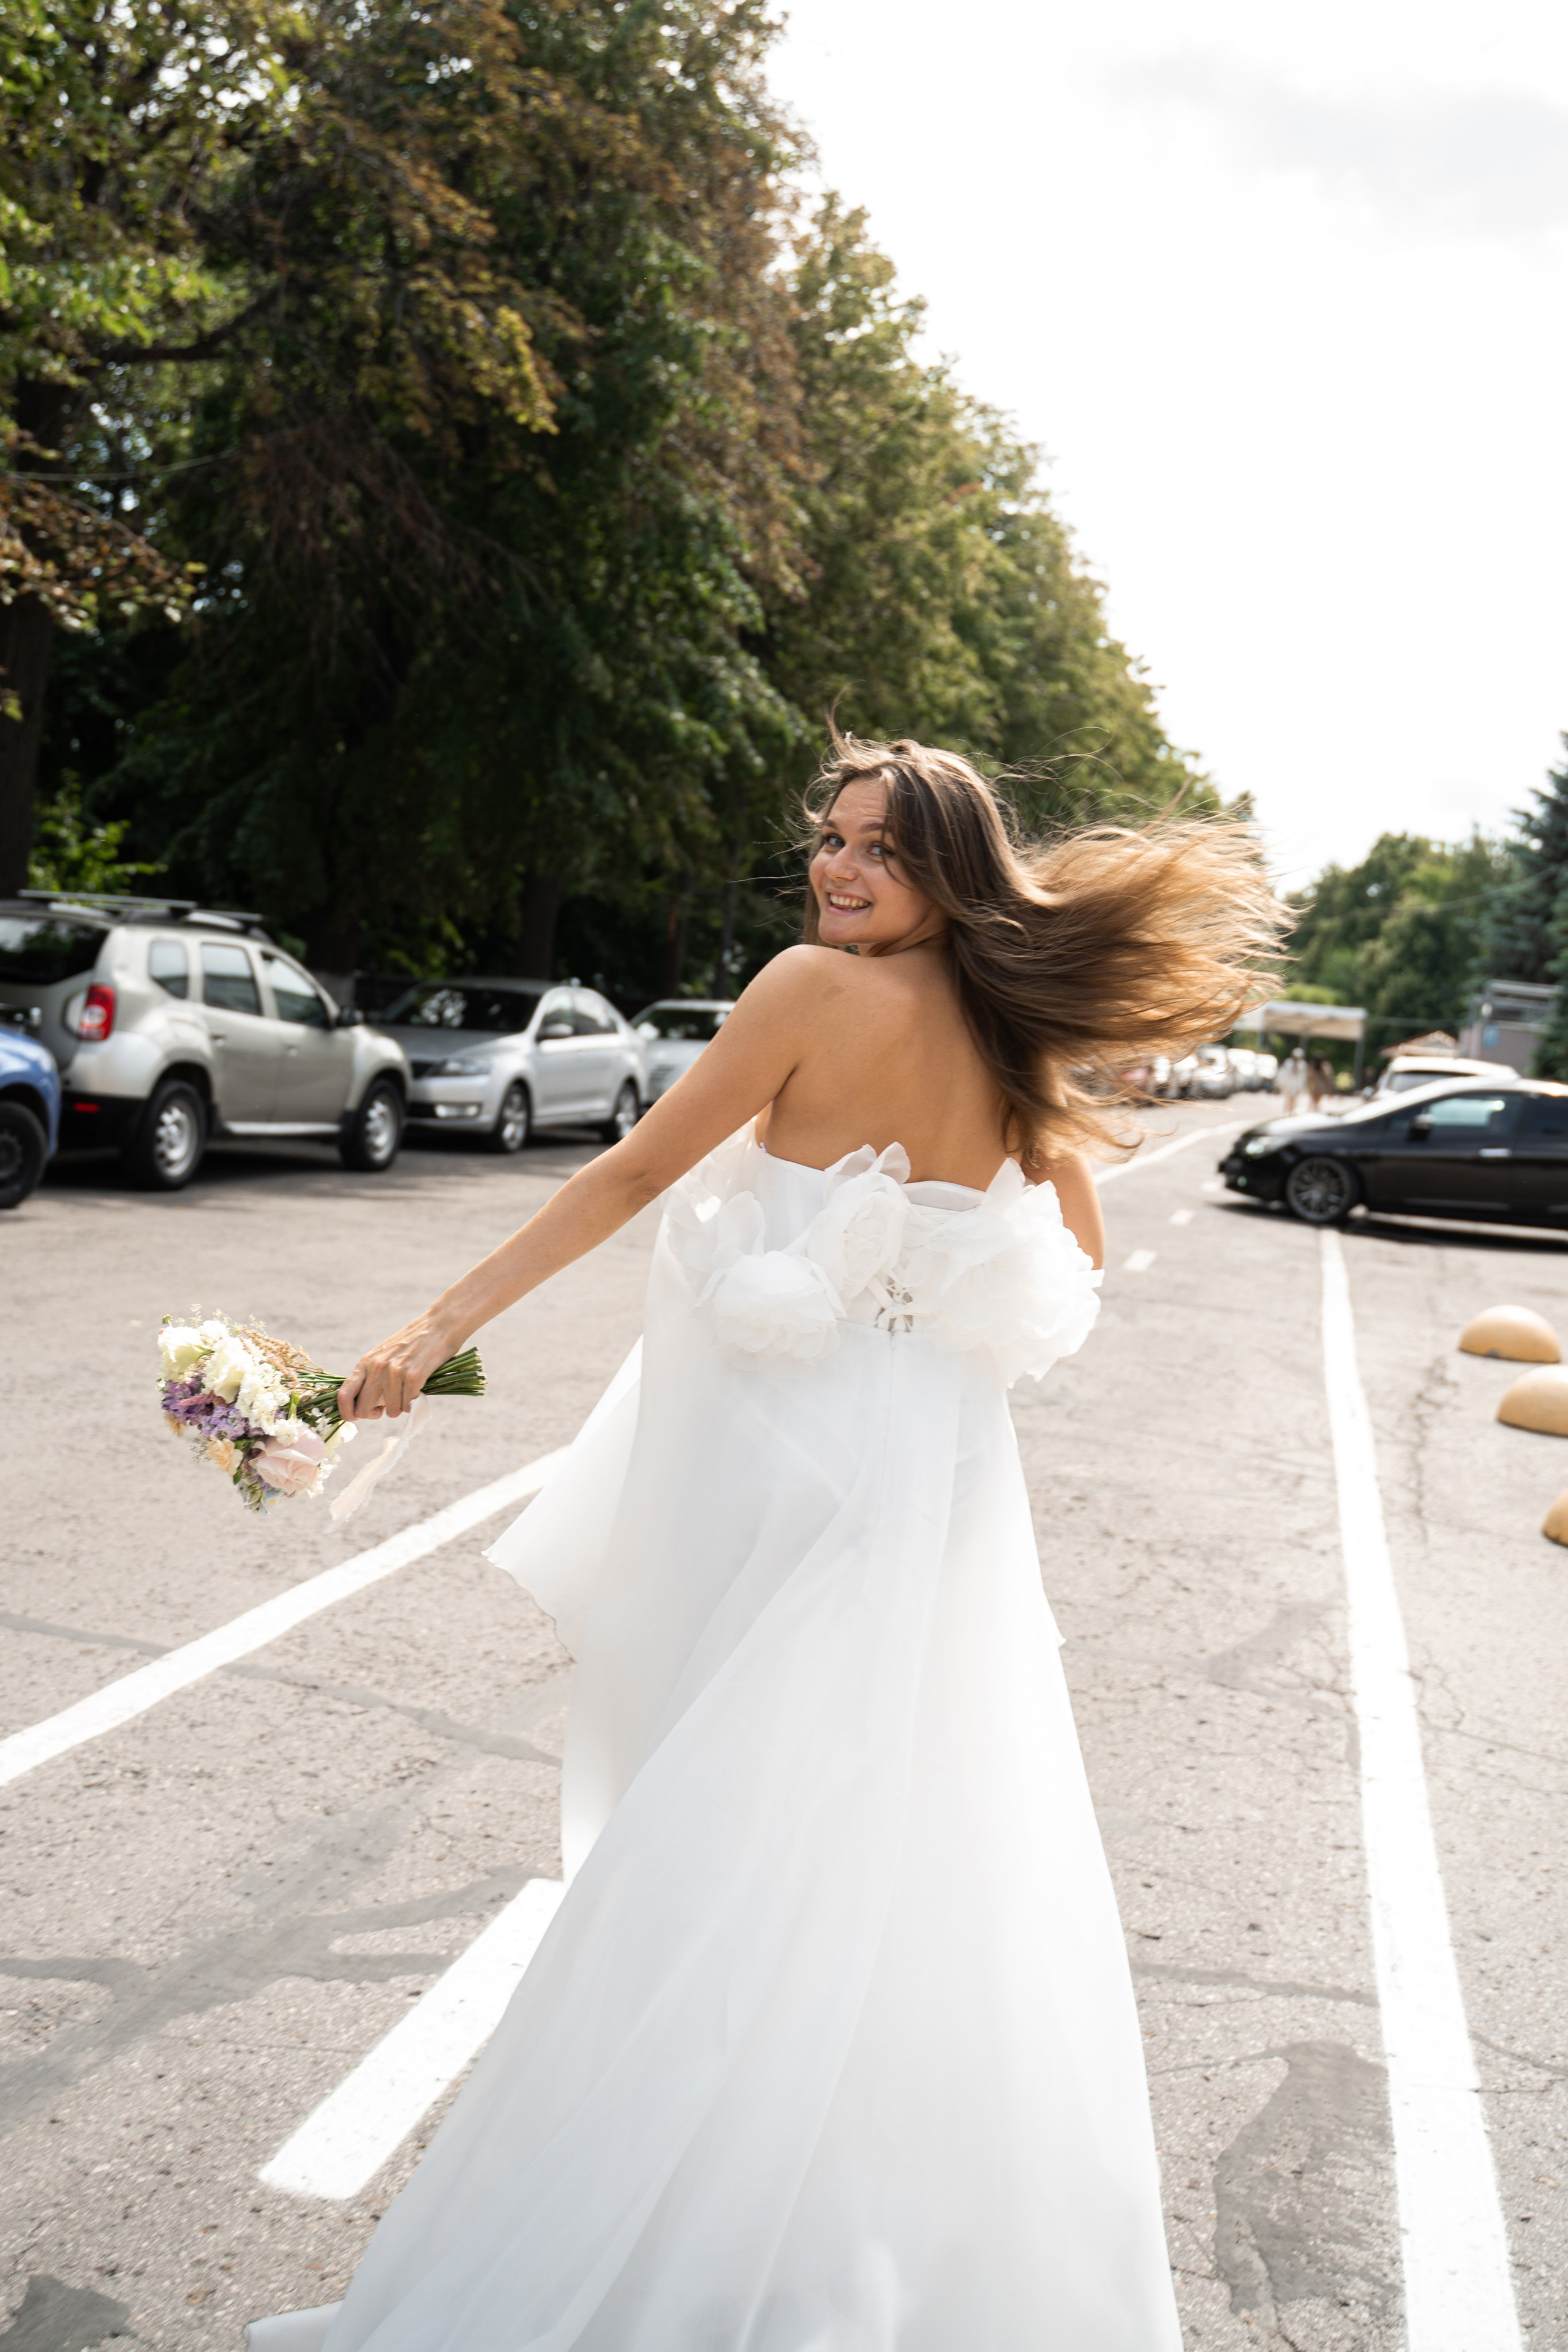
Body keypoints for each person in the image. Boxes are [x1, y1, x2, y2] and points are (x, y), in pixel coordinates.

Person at [247, 734, 1278, 2352]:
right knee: (891, 1847)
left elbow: (643, 1169)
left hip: (787, 1465)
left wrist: (433, 1326)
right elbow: (1065, 1258)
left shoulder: (810, 988)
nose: (839, 868)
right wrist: (911, 1275)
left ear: (946, 870)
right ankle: (842, 2249)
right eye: (834, 839)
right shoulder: (1008, 1038)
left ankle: (664, 2247)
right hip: (931, 1469)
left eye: (880, 848)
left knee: (726, 1842)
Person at [1278, 1045, 1309, 1113]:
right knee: (1287, 1099)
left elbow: (1303, 1077)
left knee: (1295, 1101)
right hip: (1289, 1084)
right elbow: (1284, 1074)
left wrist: (1302, 1086)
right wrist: (1282, 1083)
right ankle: (1285, 1112)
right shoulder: (1288, 1063)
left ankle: (1291, 1112)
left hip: (1297, 1085)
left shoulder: (1302, 1065)